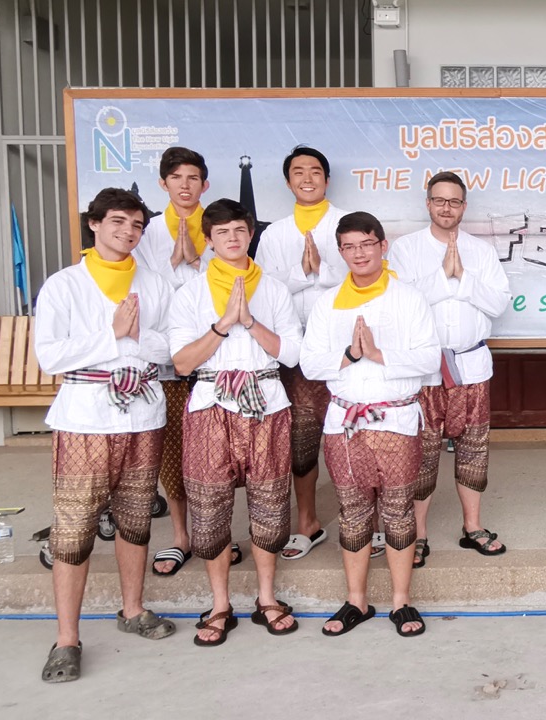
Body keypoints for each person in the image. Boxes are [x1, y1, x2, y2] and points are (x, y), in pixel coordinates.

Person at [35, 187, 177, 683]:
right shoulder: (64, 285)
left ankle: (132, 610)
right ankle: (66, 639)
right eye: (118, 221)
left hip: (142, 414)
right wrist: (112, 334)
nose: (128, 232)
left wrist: (137, 337)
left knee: (136, 518)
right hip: (85, 419)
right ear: (94, 224)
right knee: (74, 529)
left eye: (137, 225)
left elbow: (172, 349)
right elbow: (49, 356)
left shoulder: (155, 283)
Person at [170, 198, 304, 646]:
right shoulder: (190, 294)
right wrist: (224, 324)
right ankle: (220, 604)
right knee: (209, 509)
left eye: (240, 231)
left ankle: (267, 597)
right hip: (211, 404)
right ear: (209, 240)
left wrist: (251, 320)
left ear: (251, 235)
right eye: (222, 232)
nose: (232, 238)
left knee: (270, 504)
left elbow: (292, 354)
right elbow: (183, 363)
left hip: (266, 401)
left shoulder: (275, 289)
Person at [300, 211, 440, 638]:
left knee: (397, 512)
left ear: (382, 246)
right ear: (340, 252)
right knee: (353, 512)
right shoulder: (327, 303)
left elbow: (429, 359)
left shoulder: (408, 298)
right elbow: (309, 364)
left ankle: (401, 601)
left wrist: (379, 354)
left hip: (396, 419)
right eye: (349, 247)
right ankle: (356, 601)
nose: (359, 254)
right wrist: (350, 355)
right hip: (345, 422)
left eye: (366, 244)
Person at [387, 172, 512, 568]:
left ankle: (472, 526)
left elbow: (498, 304)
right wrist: (445, 276)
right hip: (424, 370)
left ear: (464, 207)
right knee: (421, 453)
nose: (446, 207)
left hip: (471, 367)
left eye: (454, 201)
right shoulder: (406, 248)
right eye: (439, 200)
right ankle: (419, 533)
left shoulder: (481, 251)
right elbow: (400, 304)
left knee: (474, 448)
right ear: (428, 203)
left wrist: (464, 277)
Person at [131, 146, 240, 577]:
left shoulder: (220, 227)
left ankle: (218, 534)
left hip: (218, 356)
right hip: (169, 359)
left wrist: (195, 262)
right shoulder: (147, 234)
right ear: (163, 184)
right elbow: (142, 295)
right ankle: (181, 536)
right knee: (174, 452)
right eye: (176, 178)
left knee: (220, 454)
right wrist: (172, 264)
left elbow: (233, 286)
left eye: (193, 178)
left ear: (204, 184)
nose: (185, 185)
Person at [256, 146, 348, 561]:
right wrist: (301, 273)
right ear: (288, 181)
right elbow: (263, 292)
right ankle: (308, 522)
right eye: (298, 172)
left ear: (327, 179)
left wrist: (323, 272)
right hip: (294, 352)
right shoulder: (274, 234)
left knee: (356, 435)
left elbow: (363, 279)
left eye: (315, 171)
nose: (307, 178)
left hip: (345, 348)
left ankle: (364, 522)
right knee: (301, 439)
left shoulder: (346, 224)